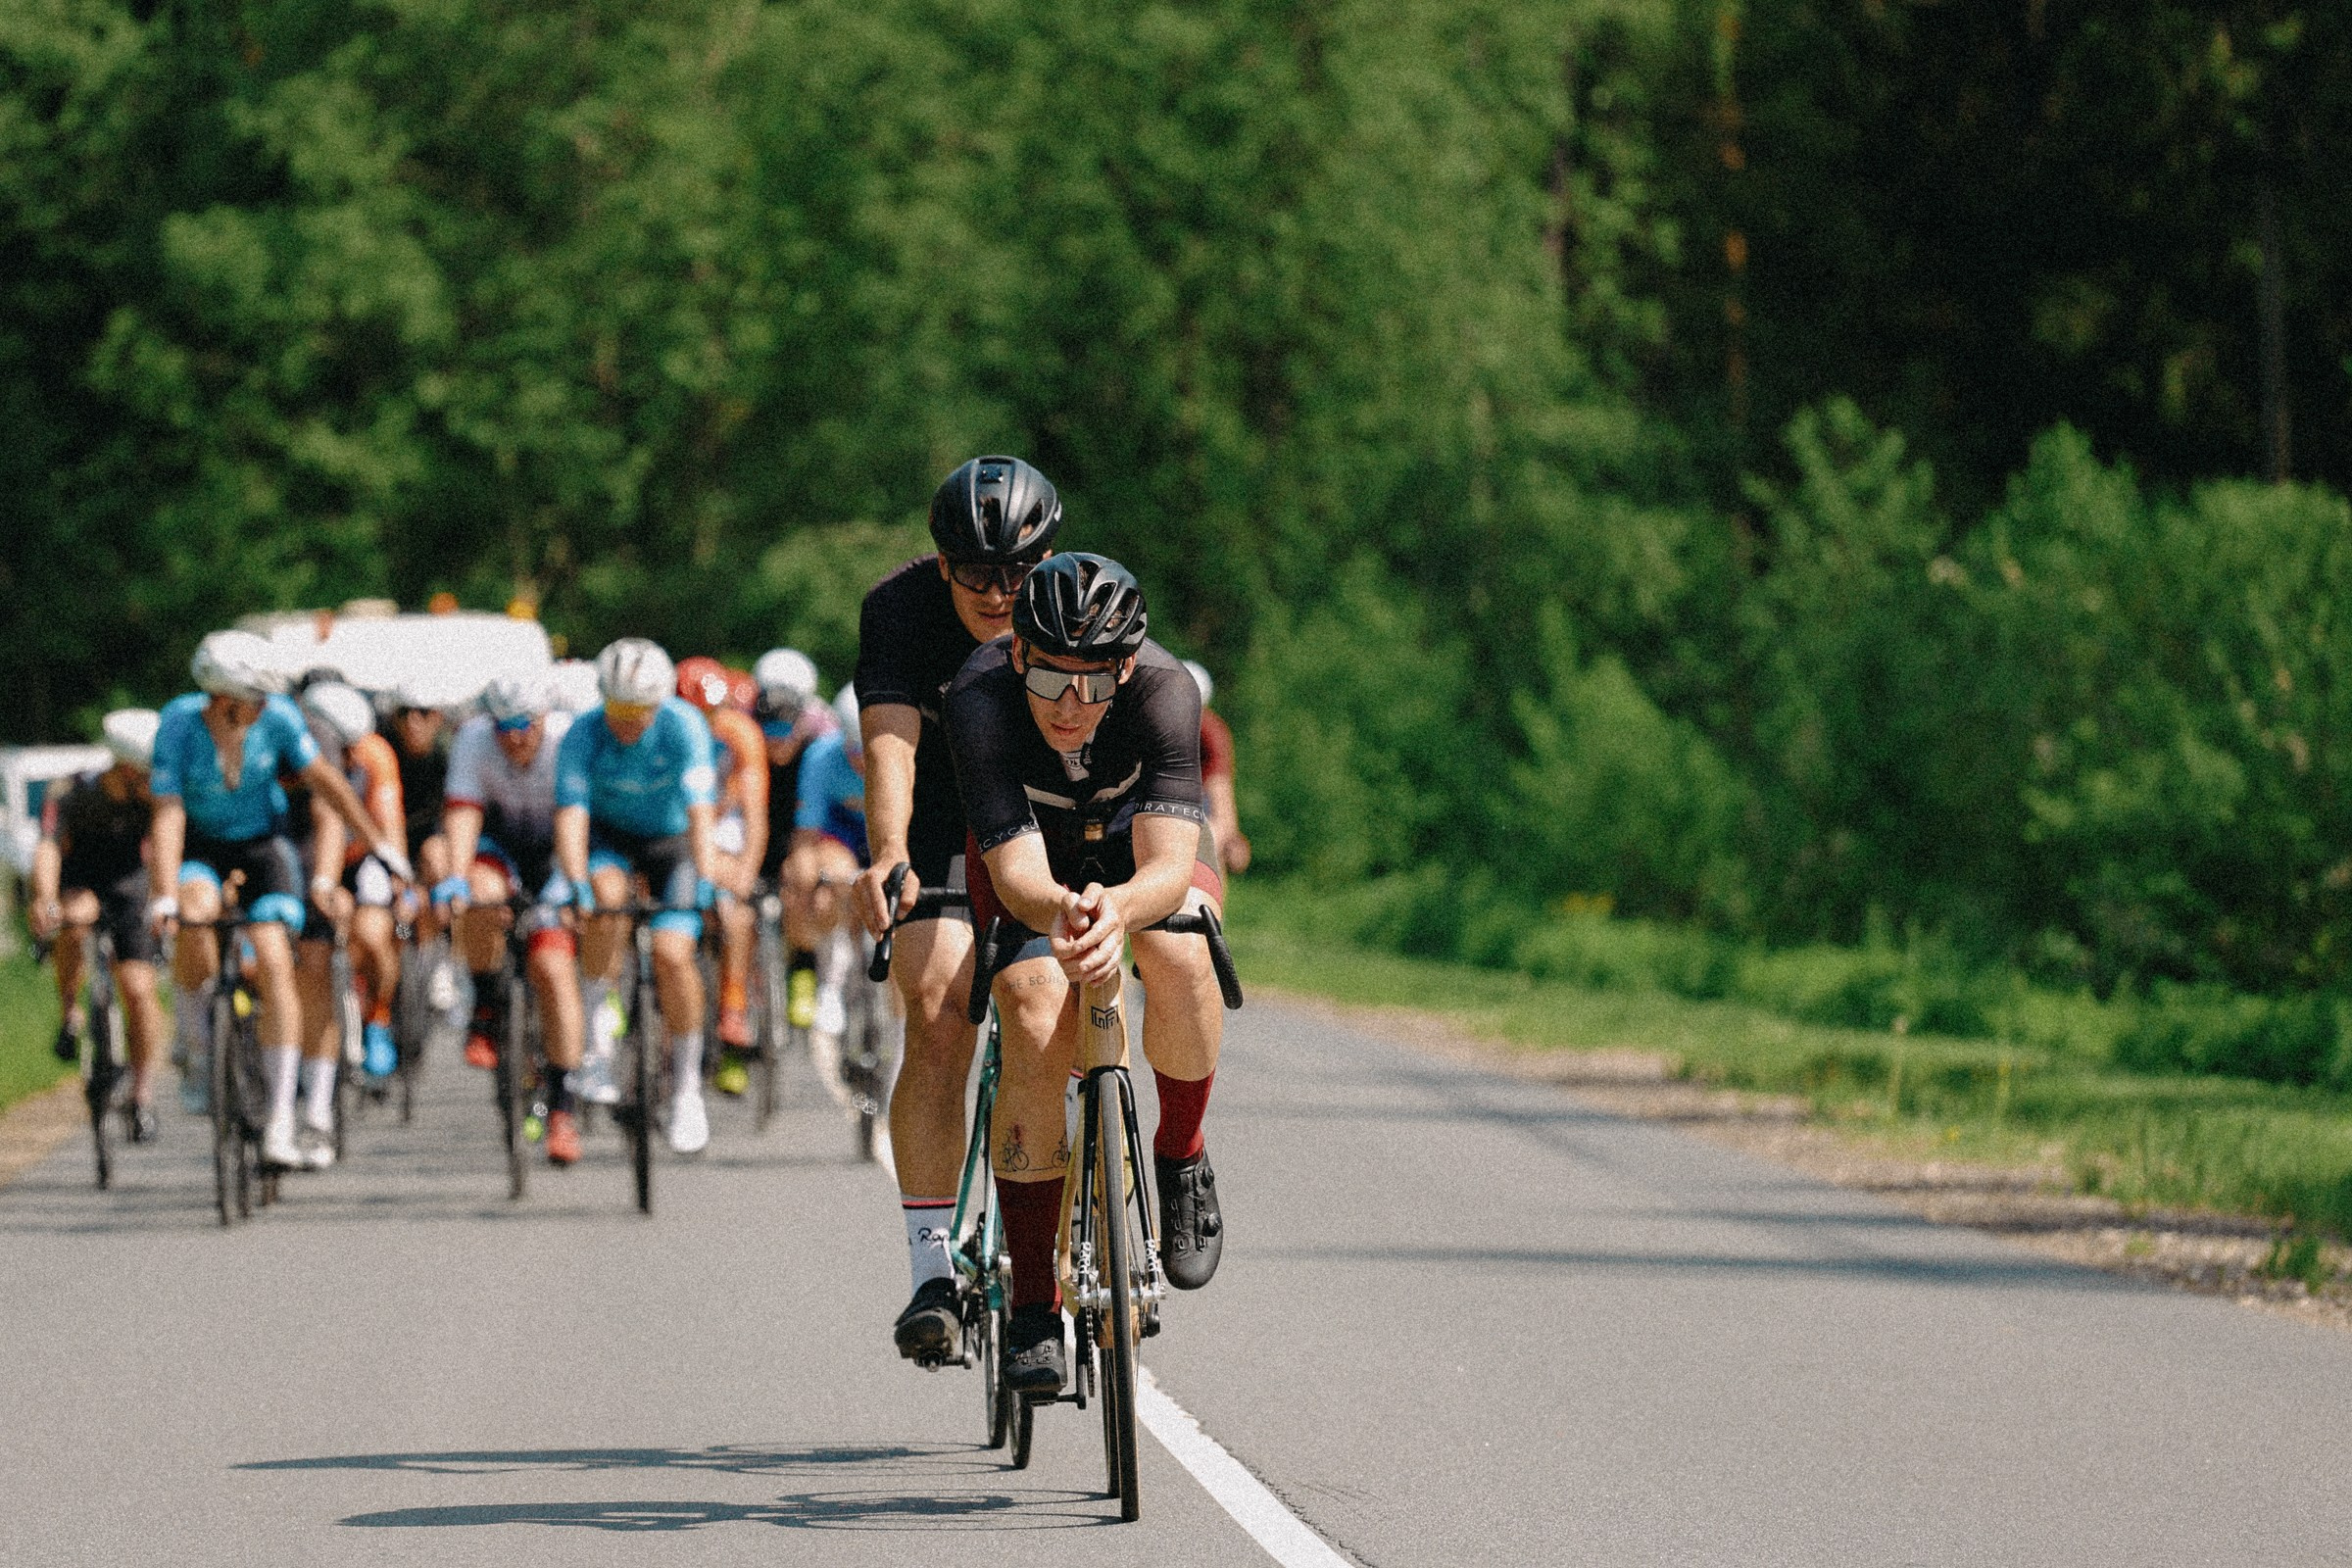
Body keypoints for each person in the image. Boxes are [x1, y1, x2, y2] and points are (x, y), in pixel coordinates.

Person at [944, 554, 1227, 1394]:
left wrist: (1122, 912)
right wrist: (1066, 914)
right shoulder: (979, 696)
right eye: (1054, 680)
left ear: (1127, 668)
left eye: (1096, 683)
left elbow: (1172, 866)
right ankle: (1034, 1302)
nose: (1073, 708)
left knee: (1181, 946)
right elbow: (1019, 873)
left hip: (1140, 838)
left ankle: (1183, 1153)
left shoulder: (1168, 694)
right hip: (1034, 849)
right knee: (1033, 1006)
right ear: (1020, 656)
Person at [852, 455, 1063, 1361]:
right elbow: (891, 746)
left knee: (1043, 1008)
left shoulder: (1073, 601)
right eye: (976, 572)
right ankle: (932, 1269)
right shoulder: (896, 610)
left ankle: (1074, 1218)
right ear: (942, 564)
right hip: (942, 810)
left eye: (1018, 571)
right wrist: (890, 855)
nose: (1000, 591)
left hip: (1050, 806)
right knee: (938, 1005)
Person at [150, 631, 414, 1171]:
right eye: (256, 699)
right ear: (223, 702)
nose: (266, 708)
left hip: (263, 847)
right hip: (200, 847)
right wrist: (162, 896)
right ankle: (198, 1048)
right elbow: (169, 811)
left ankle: (281, 1120)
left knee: (275, 959)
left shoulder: (281, 721)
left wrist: (381, 844)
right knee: (194, 919)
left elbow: (330, 788)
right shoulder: (177, 724)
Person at [554, 638, 720, 1154]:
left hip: (671, 843)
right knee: (602, 899)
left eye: (640, 710)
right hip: (609, 839)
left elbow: (700, 814)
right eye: (617, 709)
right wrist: (576, 881)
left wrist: (709, 876)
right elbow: (571, 818)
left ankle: (688, 1087)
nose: (628, 722)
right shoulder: (582, 735)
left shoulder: (684, 726)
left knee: (674, 956)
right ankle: (597, 1030)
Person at [435, 671, 587, 1166]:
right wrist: (455, 876)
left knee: (553, 969)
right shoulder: (474, 740)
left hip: (556, 851)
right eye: (503, 726)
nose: (514, 736)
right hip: (498, 844)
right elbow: (463, 811)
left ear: (544, 717)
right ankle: (485, 1001)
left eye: (524, 724)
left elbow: (575, 817)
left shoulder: (567, 740)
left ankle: (563, 1105)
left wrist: (572, 886)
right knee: (477, 895)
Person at [29, 710, 169, 1142]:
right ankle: (70, 1009)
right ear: (125, 768)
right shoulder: (73, 792)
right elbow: (49, 848)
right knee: (74, 922)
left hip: (129, 887)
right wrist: (45, 899)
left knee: (140, 992)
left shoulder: (155, 797)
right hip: (81, 882)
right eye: (145, 774)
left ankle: (141, 1095)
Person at [289, 682, 407, 1106]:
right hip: (314, 857)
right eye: (344, 749)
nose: (352, 757)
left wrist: (398, 875)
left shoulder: (375, 755)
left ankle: (377, 1018)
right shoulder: (297, 758)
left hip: (361, 855)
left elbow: (388, 820)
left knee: (374, 934)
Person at [674, 655, 769, 1090]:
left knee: (735, 910)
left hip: (722, 825)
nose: (703, 722)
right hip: (675, 826)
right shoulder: (665, 732)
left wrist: (746, 873)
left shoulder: (739, 734)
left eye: (710, 713)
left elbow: (754, 814)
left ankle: (733, 1004)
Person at [783, 685, 869, 1063]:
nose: (863, 762)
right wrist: (806, 879)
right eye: (855, 751)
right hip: (844, 833)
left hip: (895, 829)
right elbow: (806, 835)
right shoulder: (821, 756)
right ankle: (831, 980)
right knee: (828, 881)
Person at [752, 648, 836, 1026]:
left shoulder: (825, 730)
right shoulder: (744, 721)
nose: (777, 737)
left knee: (802, 883)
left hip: (803, 815)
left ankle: (804, 964)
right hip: (760, 810)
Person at [1184, 660, 1250, 876]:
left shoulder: (1210, 732)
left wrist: (1228, 835)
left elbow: (1219, 788)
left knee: (1210, 839)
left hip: (1198, 803)